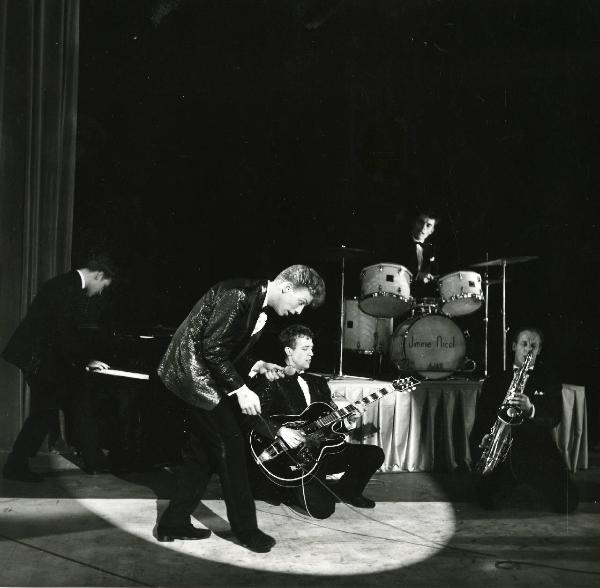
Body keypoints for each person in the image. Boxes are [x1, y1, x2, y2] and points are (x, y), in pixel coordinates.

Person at [156, 265, 325, 552]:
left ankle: (173, 523)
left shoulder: (254, 301)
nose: (298, 312)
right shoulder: (238, 295)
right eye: (300, 303)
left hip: (203, 378)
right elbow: (212, 350)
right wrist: (241, 389)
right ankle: (246, 531)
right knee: (232, 447)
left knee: (203, 454)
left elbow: (227, 349)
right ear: (287, 287)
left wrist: (258, 365)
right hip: (193, 379)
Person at [245, 324, 385, 519]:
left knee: (373, 454)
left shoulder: (318, 383)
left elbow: (331, 422)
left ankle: (349, 492)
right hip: (294, 458)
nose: (311, 353)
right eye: (305, 349)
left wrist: (349, 420)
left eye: (312, 348)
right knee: (322, 510)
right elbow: (253, 417)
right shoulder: (272, 380)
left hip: (322, 450)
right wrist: (280, 431)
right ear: (289, 351)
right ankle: (286, 490)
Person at [1, 253, 116, 482]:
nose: (101, 292)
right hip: (38, 359)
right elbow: (61, 333)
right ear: (98, 274)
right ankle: (15, 465)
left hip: (45, 358)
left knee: (70, 403)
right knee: (44, 412)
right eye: (103, 286)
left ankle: (93, 460)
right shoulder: (66, 287)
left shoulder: (67, 284)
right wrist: (85, 362)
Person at [470, 327, 579, 513]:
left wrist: (531, 410)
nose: (528, 349)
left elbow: (554, 418)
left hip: (538, 451)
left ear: (539, 350)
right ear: (514, 346)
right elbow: (482, 418)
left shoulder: (549, 381)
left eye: (533, 346)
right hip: (504, 450)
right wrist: (485, 437)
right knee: (487, 501)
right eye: (524, 344)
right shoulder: (494, 381)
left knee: (568, 504)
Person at [395, 208, 439, 299]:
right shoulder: (398, 242)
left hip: (421, 299)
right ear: (413, 222)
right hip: (399, 294)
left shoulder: (431, 249)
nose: (423, 228)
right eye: (420, 222)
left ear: (432, 231)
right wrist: (418, 275)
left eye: (428, 225)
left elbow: (435, 273)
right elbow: (394, 268)